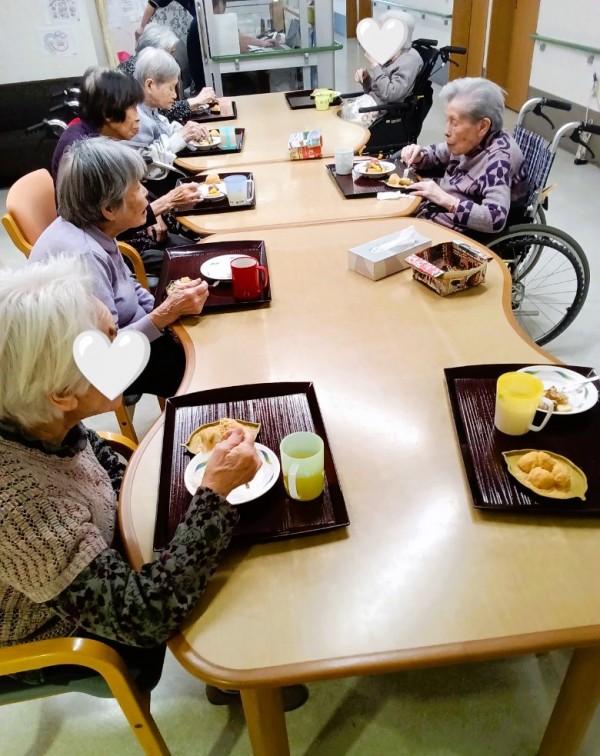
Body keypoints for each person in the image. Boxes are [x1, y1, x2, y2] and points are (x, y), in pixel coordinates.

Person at [0, 255, 260, 694]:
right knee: (241, 581)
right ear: (61, 393)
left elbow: (102, 465)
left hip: (106, 558)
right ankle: (246, 685)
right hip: (59, 635)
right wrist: (212, 495)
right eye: (109, 340)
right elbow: (145, 618)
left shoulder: (37, 419)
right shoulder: (20, 508)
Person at [30, 137, 206, 399]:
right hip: (98, 371)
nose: (145, 193)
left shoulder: (96, 227)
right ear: (109, 208)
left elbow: (128, 283)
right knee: (204, 367)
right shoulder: (85, 256)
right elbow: (107, 354)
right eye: (136, 187)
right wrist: (164, 316)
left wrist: (164, 313)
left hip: (132, 335)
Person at [51, 67, 203, 276]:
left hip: (127, 229)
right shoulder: (87, 153)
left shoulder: (95, 135)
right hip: (113, 248)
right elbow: (103, 222)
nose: (138, 116)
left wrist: (150, 209)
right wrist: (165, 203)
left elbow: (125, 192)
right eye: (131, 107)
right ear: (107, 113)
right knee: (197, 259)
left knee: (196, 247)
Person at [401, 77, 528, 235]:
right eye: (447, 120)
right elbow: (439, 153)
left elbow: (494, 218)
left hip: (464, 231)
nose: (446, 131)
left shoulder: (499, 159)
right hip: (438, 211)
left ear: (482, 126)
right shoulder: (472, 141)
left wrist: (445, 199)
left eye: (454, 123)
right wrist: (420, 155)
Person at [129, 47, 210, 176]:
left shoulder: (149, 107)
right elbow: (144, 164)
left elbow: (164, 127)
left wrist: (189, 131)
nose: (175, 95)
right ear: (150, 85)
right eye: (171, 88)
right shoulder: (135, 116)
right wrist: (181, 137)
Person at [118, 22, 216, 122]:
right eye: (171, 52)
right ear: (155, 53)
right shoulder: (134, 72)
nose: (173, 58)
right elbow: (162, 111)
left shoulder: (137, 64)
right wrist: (195, 101)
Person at [341, 10, 422, 127]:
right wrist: (367, 79)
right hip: (370, 103)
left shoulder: (410, 61)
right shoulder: (392, 53)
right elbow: (377, 90)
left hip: (381, 112)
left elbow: (390, 94)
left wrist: (375, 66)